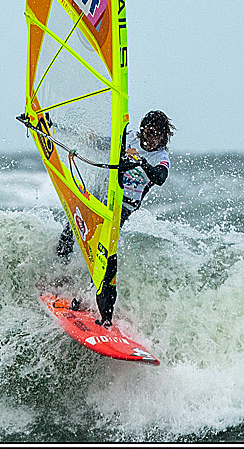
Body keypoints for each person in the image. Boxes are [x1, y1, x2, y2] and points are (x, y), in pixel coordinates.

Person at [56, 110, 175, 326]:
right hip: (104, 194)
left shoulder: (160, 158)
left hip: (123, 207)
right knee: (72, 225)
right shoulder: (129, 138)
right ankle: (59, 271)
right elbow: (105, 145)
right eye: (147, 133)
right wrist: (87, 137)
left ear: (162, 137)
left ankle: (87, 298)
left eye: (155, 135)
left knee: (103, 249)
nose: (149, 139)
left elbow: (160, 178)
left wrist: (140, 161)